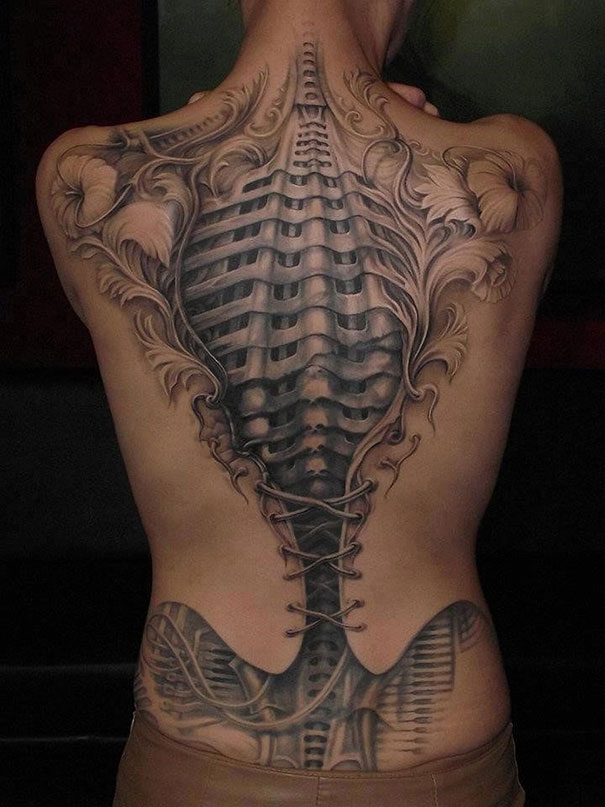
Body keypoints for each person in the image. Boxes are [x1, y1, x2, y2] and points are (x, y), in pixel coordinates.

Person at [37, 0, 562, 803]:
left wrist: (196, 135)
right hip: (438, 757)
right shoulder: (515, 167)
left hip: (198, 757)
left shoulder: (88, 180)